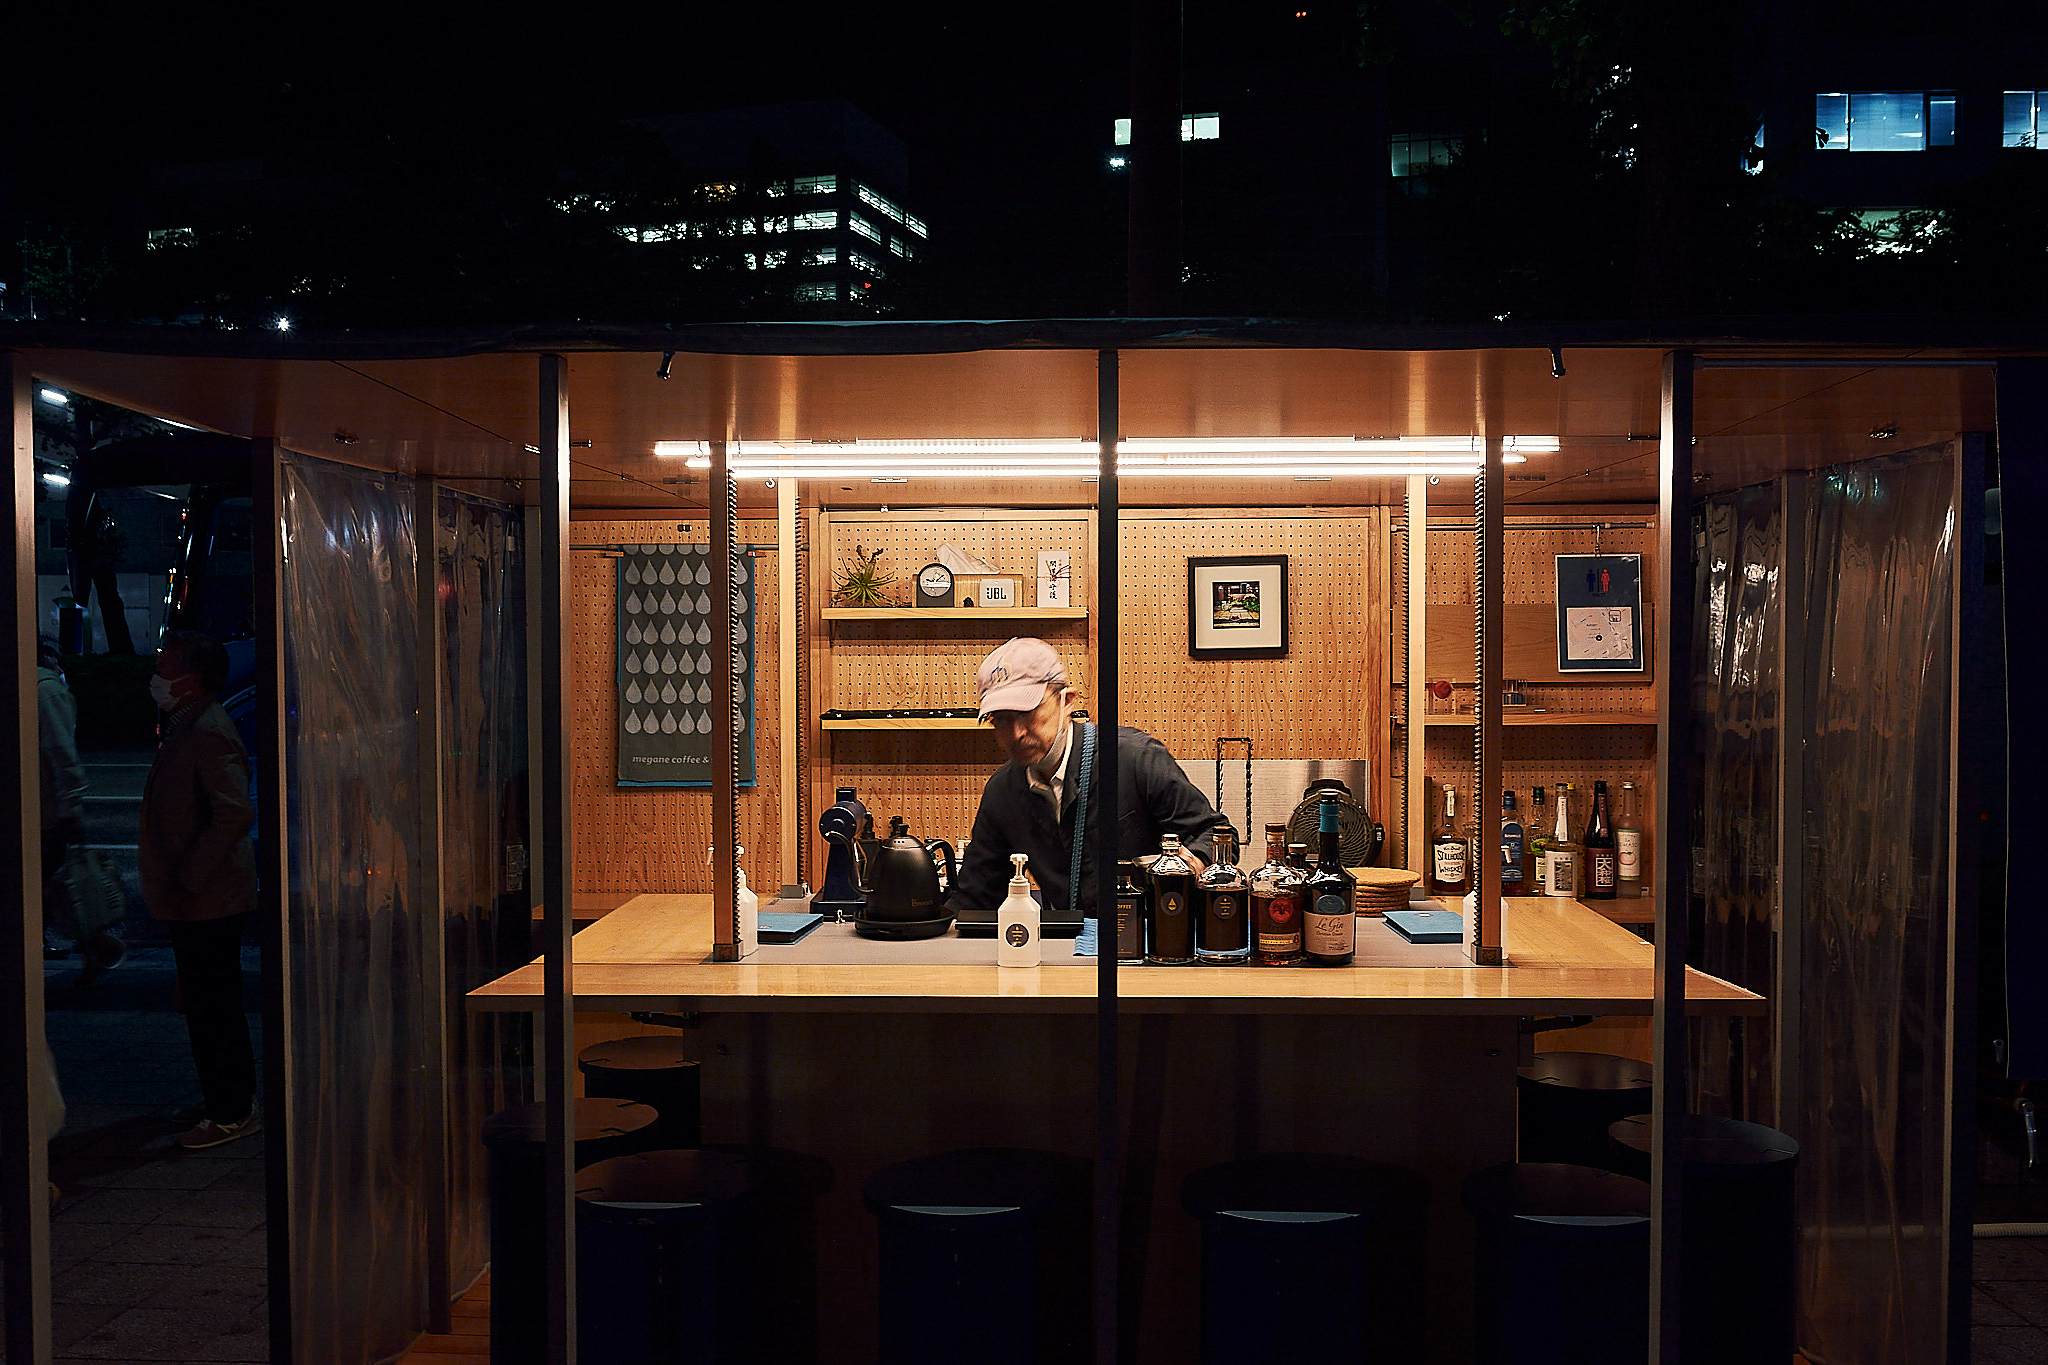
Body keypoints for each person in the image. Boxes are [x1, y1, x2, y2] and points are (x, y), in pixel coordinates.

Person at [944, 637, 1220, 921]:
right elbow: (977, 897)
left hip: (1150, 943)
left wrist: (1194, 863)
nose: (1015, 733)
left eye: (1027, 713)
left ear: (1067, 702)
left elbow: (1214, 833)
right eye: (1001, 720)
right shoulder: (1003, 791)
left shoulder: (1135, 759)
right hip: (1065, 950)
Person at [139, 631, 260, 1150]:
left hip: (209, 900)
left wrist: (191, 873)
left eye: (166, 666)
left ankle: (230, 1109)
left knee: (215, 1005)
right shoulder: (186, 723)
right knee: (204, 1001)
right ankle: (221, 1099)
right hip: (198, 897)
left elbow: (233, 810)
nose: (158, 676)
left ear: (190, 679)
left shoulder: (206, 730)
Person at [38, 635, 124, 980]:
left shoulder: (27, 687)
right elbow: (63, 755)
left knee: (44, 883)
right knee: (66, 882)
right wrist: (72, 807)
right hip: (49, 812)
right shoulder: (48, 691)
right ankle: (93, 944)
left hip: (36, 809)